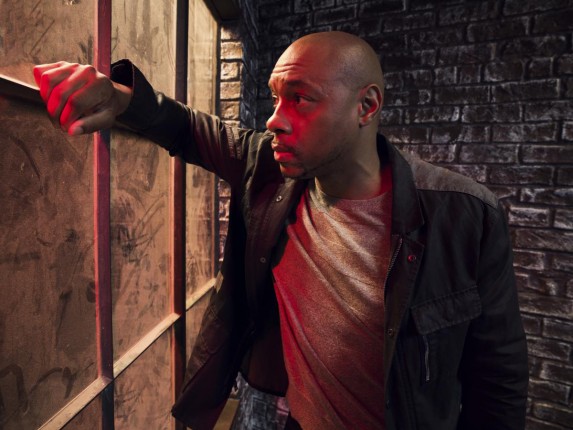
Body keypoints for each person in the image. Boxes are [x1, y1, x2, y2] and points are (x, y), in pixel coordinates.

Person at [34, 31, 528, 430]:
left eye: (301, 99)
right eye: (275, 99)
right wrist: (117, 97)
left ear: (366, 106)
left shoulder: (463, 215)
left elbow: (498, 378)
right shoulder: (268, 170)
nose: (274, 121)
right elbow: (186, 128)